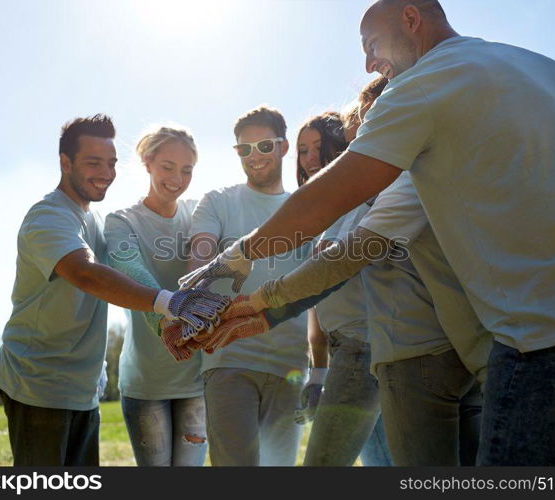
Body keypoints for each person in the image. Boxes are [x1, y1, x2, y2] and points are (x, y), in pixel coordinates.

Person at [178, 0, 555, 465]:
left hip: (548, 339)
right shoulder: (550, 70)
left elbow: (330, 207)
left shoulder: (423, 84)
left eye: (371, 44)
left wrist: (236, 261)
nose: (368, 64)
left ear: (410, 18)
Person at [0, 114, 229, 466]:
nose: (105, 172)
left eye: (111, 163)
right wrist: (169, 304)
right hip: (39, 384)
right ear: (65, 162)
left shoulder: (92, 219)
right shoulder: (48, 217)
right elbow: (87, 274)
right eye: (93, 163)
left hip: (82, 388)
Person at [187, 106, 311, 466]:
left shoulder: (306, 207)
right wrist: (194, 305)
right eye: (244, 149)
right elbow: (200, 259)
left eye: (264, 146)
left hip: (290, 364)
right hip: (229, 360)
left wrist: (319, 366)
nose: (254, 157)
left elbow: (319, 282)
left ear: (284, 147)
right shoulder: (218, 201)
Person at [105, 125, 207, 466]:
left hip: (197, 380)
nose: (177, 178)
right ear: (147, 162)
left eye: (187, 170)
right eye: (168, 166)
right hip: (146, 382)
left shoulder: (201, 214)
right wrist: (165, 319)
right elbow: (129, 268)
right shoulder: (121, 222)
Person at [294, 111, 392, 466]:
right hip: (345, 348)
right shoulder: (320, 214)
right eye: (302, 150)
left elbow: (328, 273)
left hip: (363, 346)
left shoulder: (366, 198)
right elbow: (318, 305)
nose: (310, 158)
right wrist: (318, 371)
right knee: (382, 462)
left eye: (319, 146)